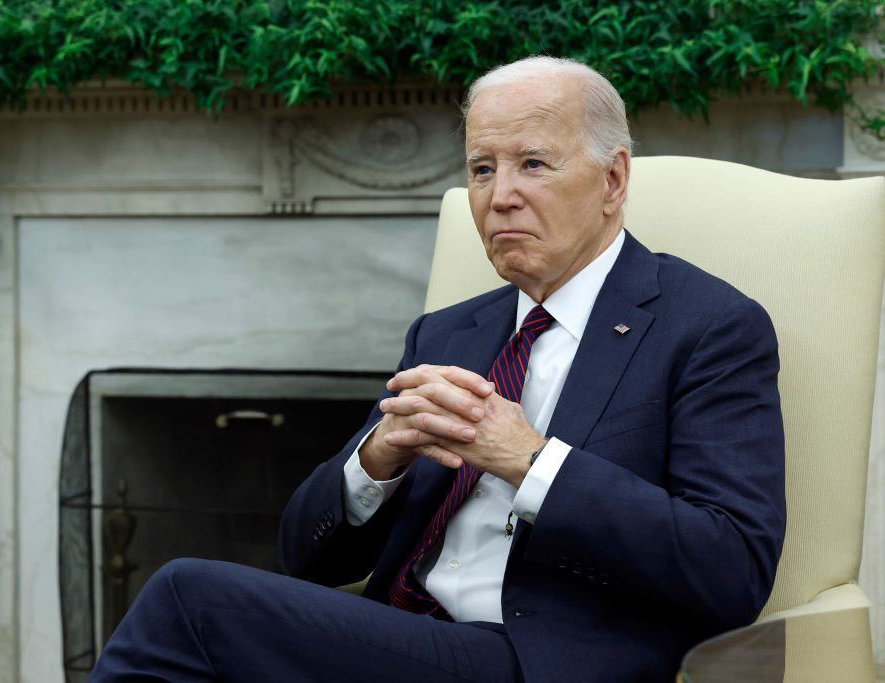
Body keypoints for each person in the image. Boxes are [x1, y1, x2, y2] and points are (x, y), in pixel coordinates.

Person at [88, 55, 786, 683]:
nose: (500, 195)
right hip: (404, 634)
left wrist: (530, 460)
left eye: (532, 164)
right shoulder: (452, 330)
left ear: (613, 178)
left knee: (188, 598)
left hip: (537, 658)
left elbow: (730, 570)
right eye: (482, 168)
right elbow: (305, 555)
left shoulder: (709, 326)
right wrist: (377, 461)